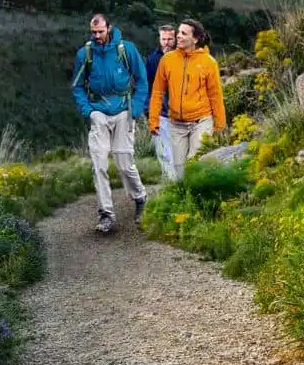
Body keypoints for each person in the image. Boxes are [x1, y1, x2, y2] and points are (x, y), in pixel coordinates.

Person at [71, 13, 150, 234]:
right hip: (99, 114)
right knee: (99, 165)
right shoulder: (85, 54)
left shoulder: (126, 50)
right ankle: (106, 214)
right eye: (93, 32)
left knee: (124, 162)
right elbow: (77, 87)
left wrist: (135, 108)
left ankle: (140, 197)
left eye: (101, 32)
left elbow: (142, 81)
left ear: (109, 28)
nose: (97, 36)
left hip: (124, 112)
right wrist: (89, 111)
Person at [148, 18, 227, 179]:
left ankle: (200, 201)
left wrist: (220, 125)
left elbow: (215, 96)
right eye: (178, 32)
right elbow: (157, 92)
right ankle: (185, 200)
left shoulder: (208, 62)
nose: (178, 36)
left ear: (195, 39)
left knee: (194, 164)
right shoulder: (167, 60)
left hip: (201, 122)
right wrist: (153, 120)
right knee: (179, 170)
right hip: (175, 124)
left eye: (183, 33)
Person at [143, 23, 179, 180]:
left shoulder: (184, 57)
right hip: (161, 112)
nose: (167, 42)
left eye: (170, 39)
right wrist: (147, 109)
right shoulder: (151, 60)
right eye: (164, 39)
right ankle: (172, 184)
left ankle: (180, 181)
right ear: (159, 39)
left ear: (175, 38)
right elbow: (145, 85)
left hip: (181, 112)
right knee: (164, 151)